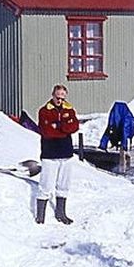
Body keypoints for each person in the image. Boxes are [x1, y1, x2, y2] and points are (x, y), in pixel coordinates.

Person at [36, 84, 81, 224]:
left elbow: (74, 126)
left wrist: (59, 126)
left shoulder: (69, 109)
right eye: (57, 97)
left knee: (63, 185)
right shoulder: (44, 111)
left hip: (66, 152)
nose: (59, 100)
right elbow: (47, 131)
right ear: (53, 95)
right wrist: (64, 127)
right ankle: (40, 216)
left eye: (62, 97)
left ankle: (61, 213)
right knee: (46, 184)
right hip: (50, 153)